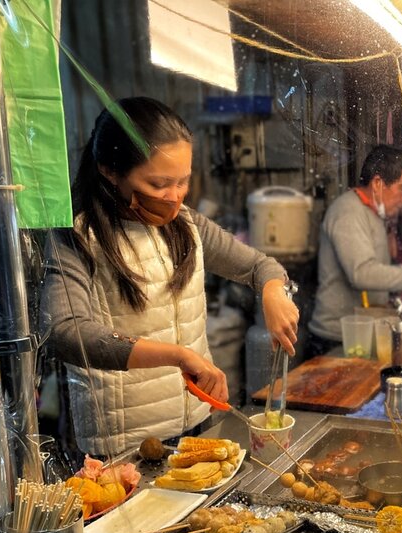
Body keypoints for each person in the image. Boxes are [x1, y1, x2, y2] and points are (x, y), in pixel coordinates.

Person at [41, 97, 299, 456]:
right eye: (160, 183)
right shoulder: (78, 237)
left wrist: (273, 291)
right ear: (110, 171)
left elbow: (260, 266)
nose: (175, 197)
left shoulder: (187, 225)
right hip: (124, 445)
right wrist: (175, 355)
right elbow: (64, 331)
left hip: (196, 424)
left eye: (183, 181)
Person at [307, 145, 402, 357]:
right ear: (378, 183)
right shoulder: (348, 212)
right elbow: (362, 273)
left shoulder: (373, 214)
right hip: (335, 339)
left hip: (360, 333)